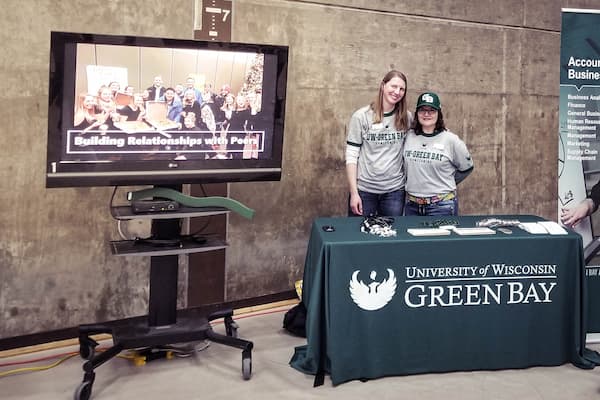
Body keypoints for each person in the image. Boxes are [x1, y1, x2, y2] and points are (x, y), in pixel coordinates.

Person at [345, 70, 411, 217]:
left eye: (402, 89)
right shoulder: (361, 116)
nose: (397, 92)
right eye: (393, 86)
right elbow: (351, 156)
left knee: (390, 236)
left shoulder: (407, 117)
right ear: (383, 86)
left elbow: (423, 134)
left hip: (394, 192)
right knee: (360, 236)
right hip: (364, 191)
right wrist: (354, 193)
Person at [403, 92, 473, 216]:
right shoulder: (409, 136)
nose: (426, 114)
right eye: (422, 110)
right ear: (417, 113)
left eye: (432, 110)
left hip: (441, 206)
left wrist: (445, 182)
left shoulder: (451, 140)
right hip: (412, 206)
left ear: (438, 114)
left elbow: (466, 168)